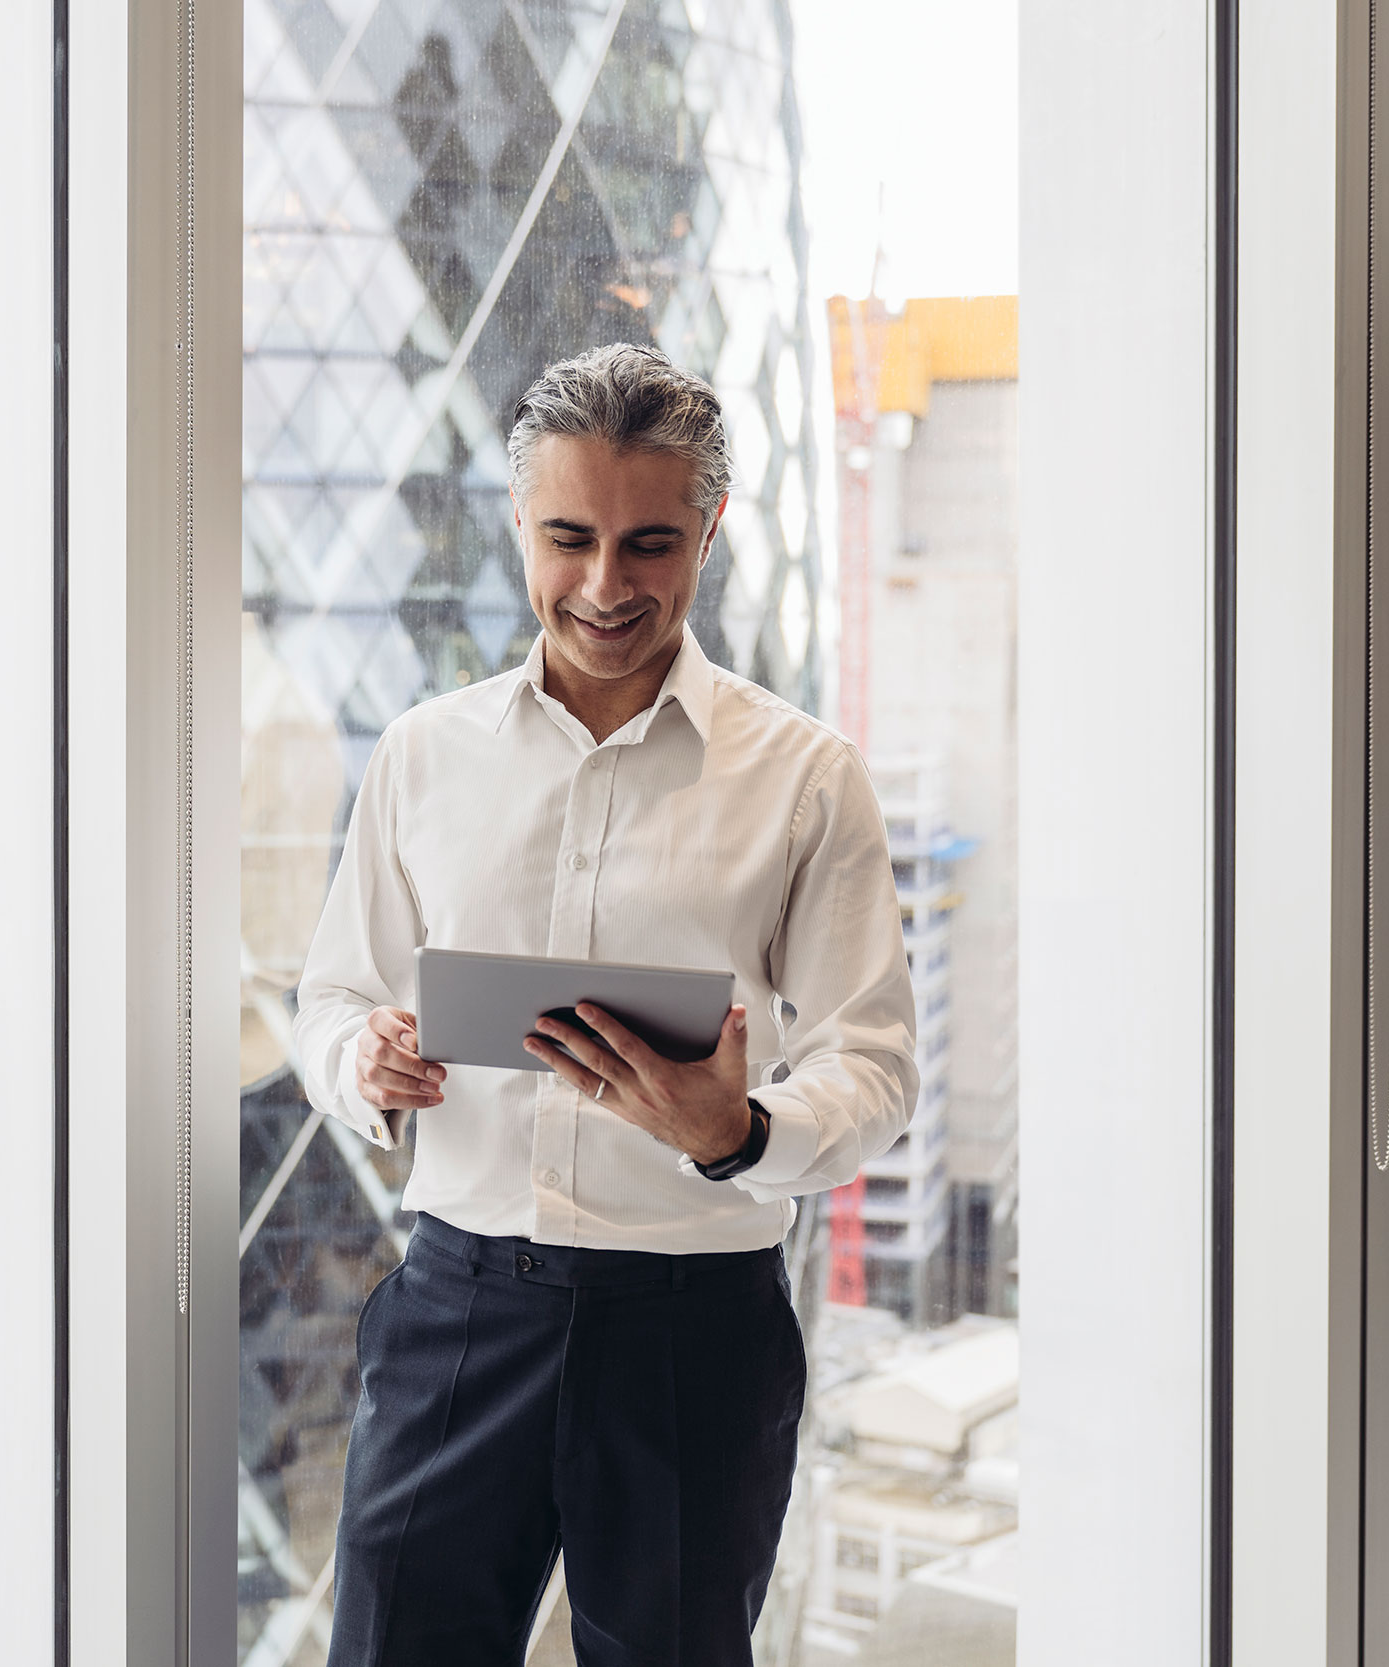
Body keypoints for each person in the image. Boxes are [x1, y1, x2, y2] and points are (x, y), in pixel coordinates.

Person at [293, 343, 919, 1666]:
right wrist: (367, 1060)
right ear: (519, 521)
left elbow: (873, 1067)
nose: (602, 587)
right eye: (569, 537)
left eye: (649, 544)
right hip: (460, 1311)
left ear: (710, 528)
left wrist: (735, 1129)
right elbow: (335, 990)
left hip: (692, 1333)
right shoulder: (423, 756)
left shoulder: (808, 781)